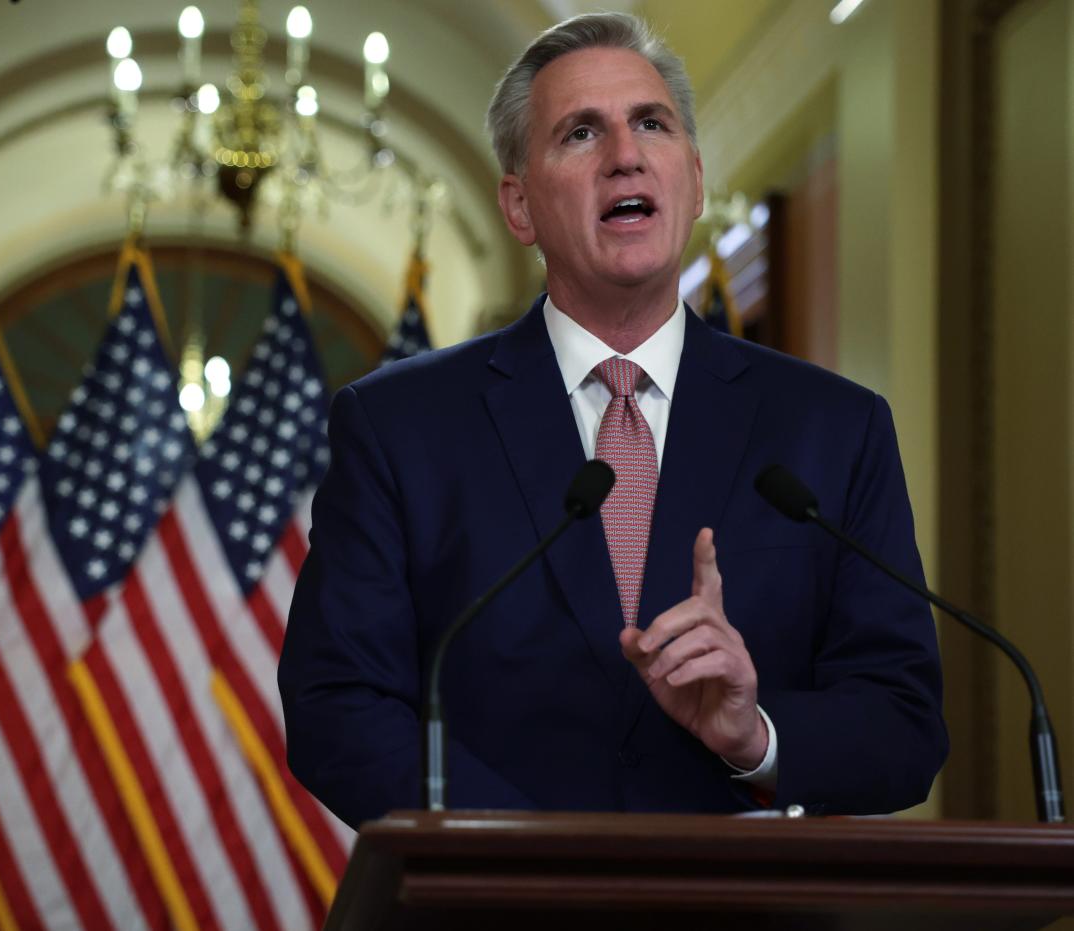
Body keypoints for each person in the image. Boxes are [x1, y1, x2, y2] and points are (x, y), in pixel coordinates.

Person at [278, 12, 947, 829]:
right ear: (520, 208)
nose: (625, 155)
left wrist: (756, 735)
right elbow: (338, 704)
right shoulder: (396, 426)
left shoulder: (837, 429)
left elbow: (903, 723)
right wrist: (531, 861)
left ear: (694, 181)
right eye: (581, 133)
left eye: (651, 124)